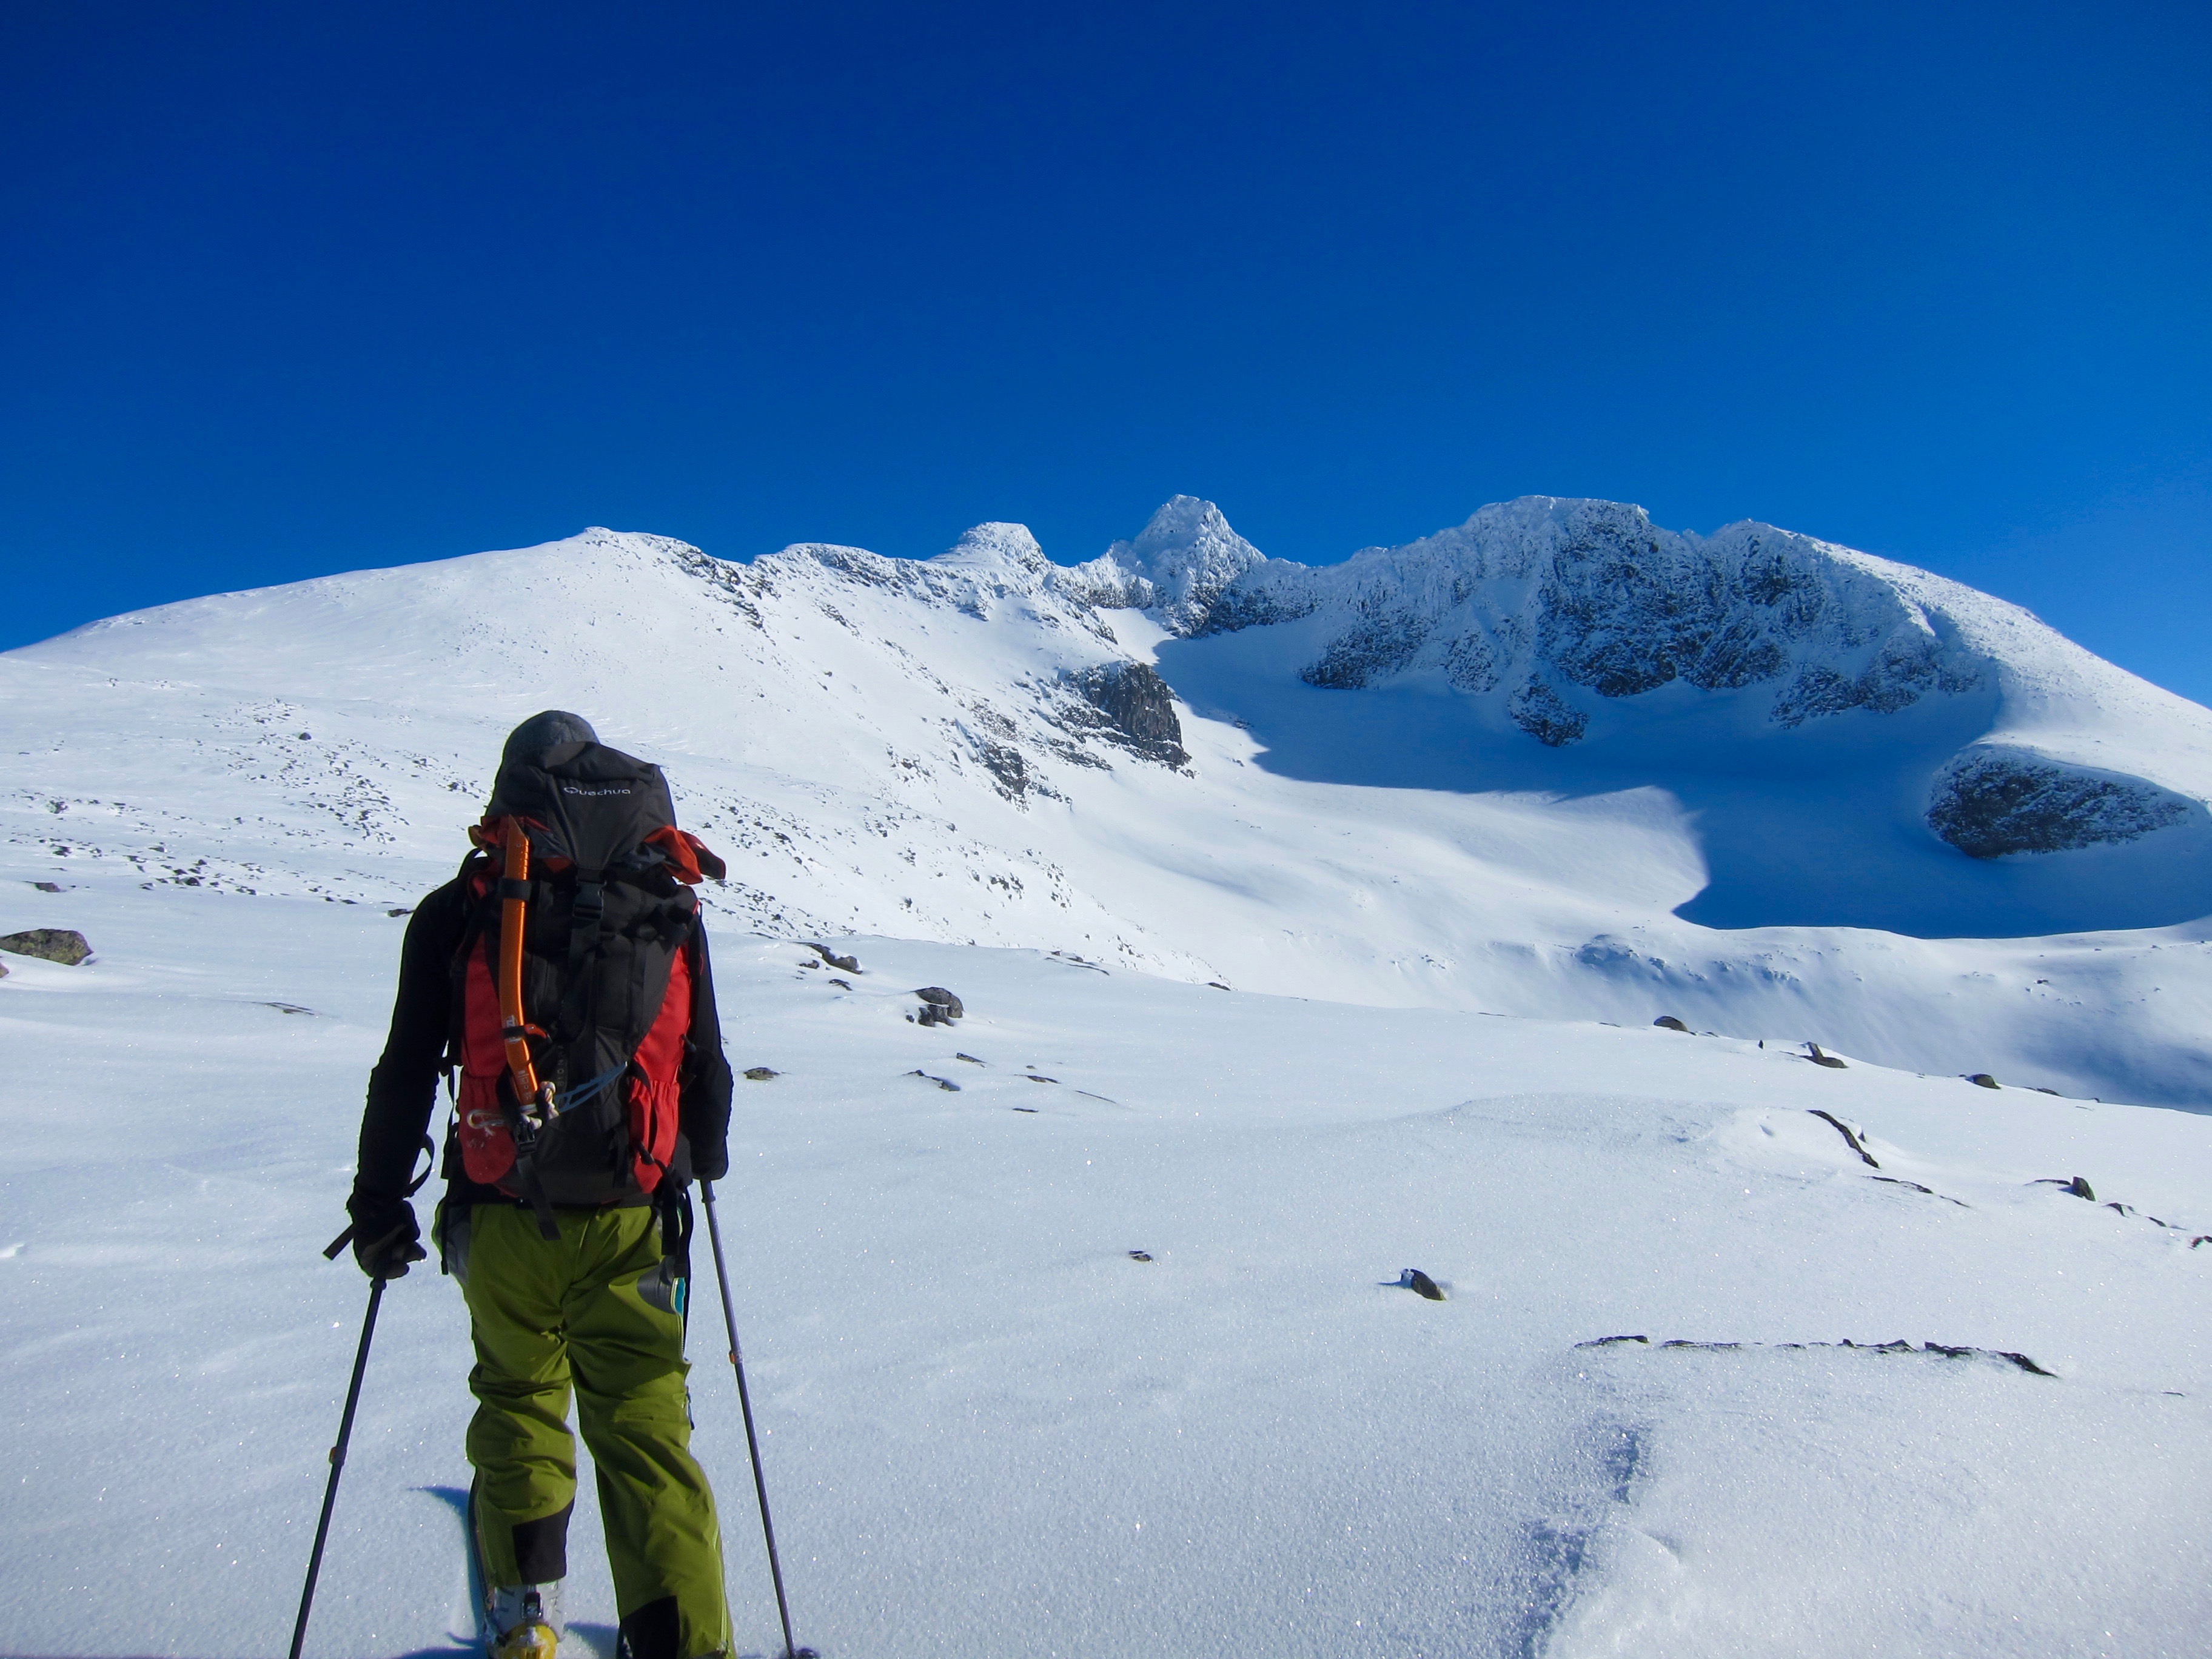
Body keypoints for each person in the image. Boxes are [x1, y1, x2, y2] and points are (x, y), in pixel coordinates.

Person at [346, 711, 737, 1659]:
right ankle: (684, 1644)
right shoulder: (666, 902)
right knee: (645, 1429)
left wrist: (378, 1204)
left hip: (501, 1213)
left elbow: (406, 1069)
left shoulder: (463, 907)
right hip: (632, 1218)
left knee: (518, 1401)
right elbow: (708, 1074)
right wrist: (696, 1166)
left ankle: (524, 1622)